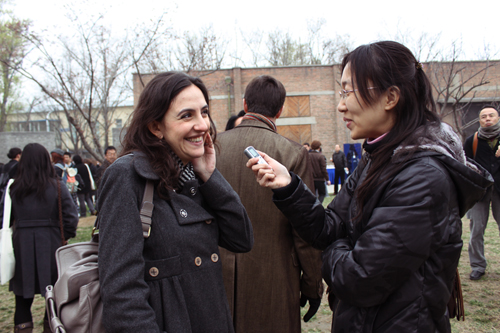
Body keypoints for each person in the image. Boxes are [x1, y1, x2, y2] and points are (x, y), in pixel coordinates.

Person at [247, 41, 492, 332]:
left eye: (348, 91)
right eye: (341, 91)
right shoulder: (377, 157)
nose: (340, 104)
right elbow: (329, 227)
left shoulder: (423, 177)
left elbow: (358, 277)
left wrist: (342, 247)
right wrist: (288, 186)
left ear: (390, 97)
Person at [96, 71, 253, 333]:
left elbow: (242, 239)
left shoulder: (191, 174)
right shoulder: (127, 176)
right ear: (156, 126)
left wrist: (209, 176)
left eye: (204, 112)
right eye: (186, 115)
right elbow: (122, 294)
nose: (203, 125)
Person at [216, 75, 323, 333]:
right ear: (280, 110)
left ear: (244, 104)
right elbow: (304, 228)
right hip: (274, 280)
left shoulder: (213, 147)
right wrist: (312, 285)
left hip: (217, 277)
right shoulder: (293, 153)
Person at [3, 143, 78, 332]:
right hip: (51, 244)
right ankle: (49, 328)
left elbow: (4, 217)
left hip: (21, 245)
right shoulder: (57, 186)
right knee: (52, 297)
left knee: (21, 299)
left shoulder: (14, 188)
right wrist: (65, 237)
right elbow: (71, 217)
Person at [464, 105, 500, 280]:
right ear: (479, 120)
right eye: (484, 116)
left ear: (497, 118)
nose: (487, 119)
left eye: (491, 116)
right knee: (476, 230)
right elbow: (465, 165)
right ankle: (478, 266)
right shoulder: (472, 141)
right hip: (480, 192)